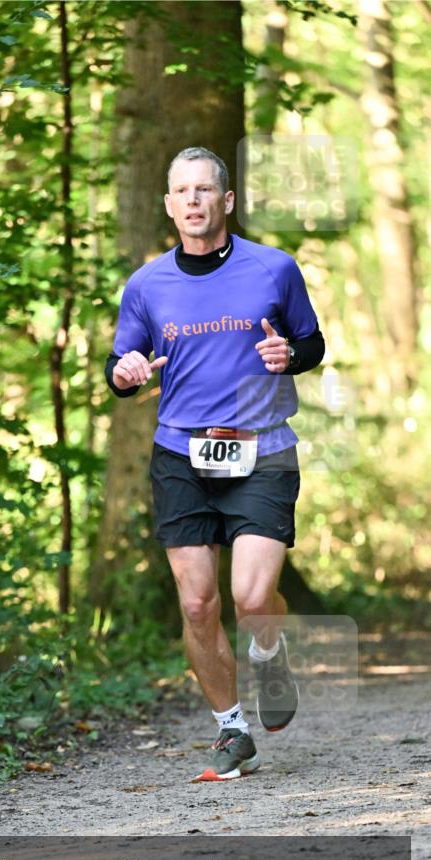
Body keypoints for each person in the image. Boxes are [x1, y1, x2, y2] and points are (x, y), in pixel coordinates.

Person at [105, 146, 325, 781]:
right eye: (184, 191)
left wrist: (292, 354)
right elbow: (124, 367)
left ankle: (268, 648)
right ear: (169, 205)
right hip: (181, 453)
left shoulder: (274, 269)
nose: (195, 200)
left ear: (227, 201)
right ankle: (232, 731)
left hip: (263, 447)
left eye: (207, 190)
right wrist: (125, 373)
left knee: (252, 596)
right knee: (199, 605)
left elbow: (311, 342)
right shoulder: (147, 285)